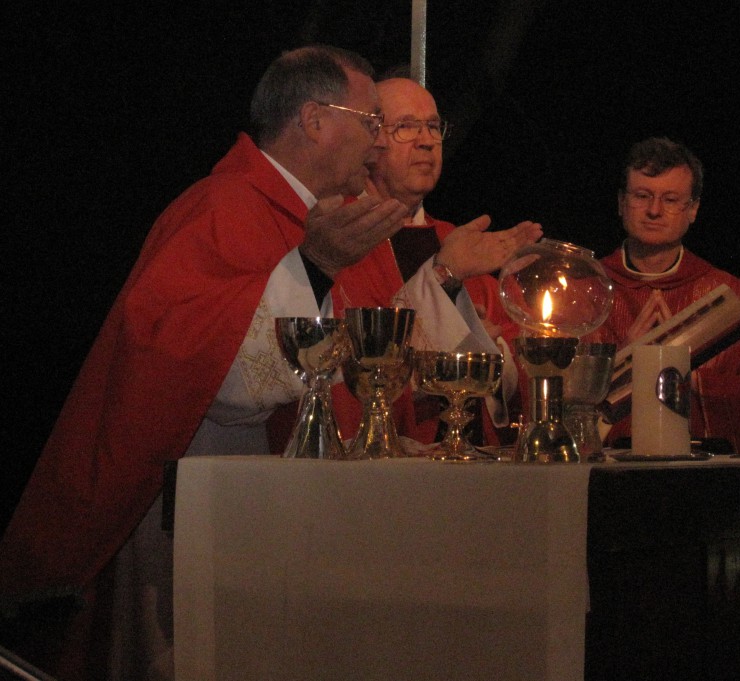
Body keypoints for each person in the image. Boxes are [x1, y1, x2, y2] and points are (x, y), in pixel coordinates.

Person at [0, 46, 525, 681]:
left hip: (309, 519)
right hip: (210, 517)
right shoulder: (223, 207)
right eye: (372, 120)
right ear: (314, 120)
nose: (380, 141)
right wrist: (311, 268)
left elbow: (376, 365)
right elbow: (205, 372)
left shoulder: (342, 225)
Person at [335, 75, 536, 444]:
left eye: (432, 127)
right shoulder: (342, 237)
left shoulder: (459, 241)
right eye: (406, 128)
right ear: (371, 138)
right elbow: (349, 368)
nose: (427, 141)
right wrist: (446, 286)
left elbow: (522, 369)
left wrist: (492, 352)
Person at [599, 137, 740, 453]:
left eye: (671, 200)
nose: (654, 211)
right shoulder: (583, 289)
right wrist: (622, 366)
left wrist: (693, 384)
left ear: (693, 209)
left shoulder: (734, 300)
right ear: (620, 203)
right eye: (642, 196)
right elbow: (546, 394)